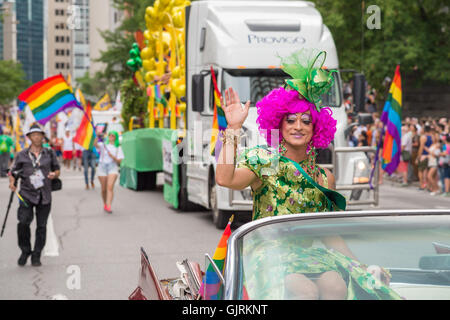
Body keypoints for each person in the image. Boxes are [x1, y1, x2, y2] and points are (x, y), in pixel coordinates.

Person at [215, 50, 400, 300]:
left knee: (335, 285)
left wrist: (360, 266)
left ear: (316, 129)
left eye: (306, 121)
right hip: (269, 254)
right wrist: (233, 129)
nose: (298, 126)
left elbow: (328, 233)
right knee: (305, 291)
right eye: (290, 120)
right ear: (279, 125)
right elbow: (224, 179)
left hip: (310, 257)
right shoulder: (265, 163)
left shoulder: (324, 178)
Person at [8, 123, 60, 267]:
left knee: (41, 226)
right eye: (34, 135)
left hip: (45, 195)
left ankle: (36, 254)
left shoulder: (49, 153)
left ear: (43, 137)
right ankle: (25, 251)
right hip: (26, 194)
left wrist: (54, 174)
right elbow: (13, 171)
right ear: (30, 137)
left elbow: (57, 170)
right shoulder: (22, 155)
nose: (36, 137)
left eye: (39, 134)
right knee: (23, 223)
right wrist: (12, 182)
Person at [94, 131, 124, 213]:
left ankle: (109, 205)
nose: (111, 137)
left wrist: (113, 157)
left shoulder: (118, 148)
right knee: (103, 189)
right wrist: (96, 136)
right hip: (102, 167)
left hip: (112, 167)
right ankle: (105, 203)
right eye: (110, 135)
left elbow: (119, 161)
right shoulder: (103, 145)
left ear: (116, 137)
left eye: (113, 136)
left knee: (110, 187)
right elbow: (95, 144)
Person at [416, 125, 433, 190]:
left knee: (420, 170)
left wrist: (418, 156)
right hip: (430, 155)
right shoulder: (432, 137)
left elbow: (421, 147)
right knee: (427, 171)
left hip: (423, 155)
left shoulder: (423, 137)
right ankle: (429, 186)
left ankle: (422, 185)